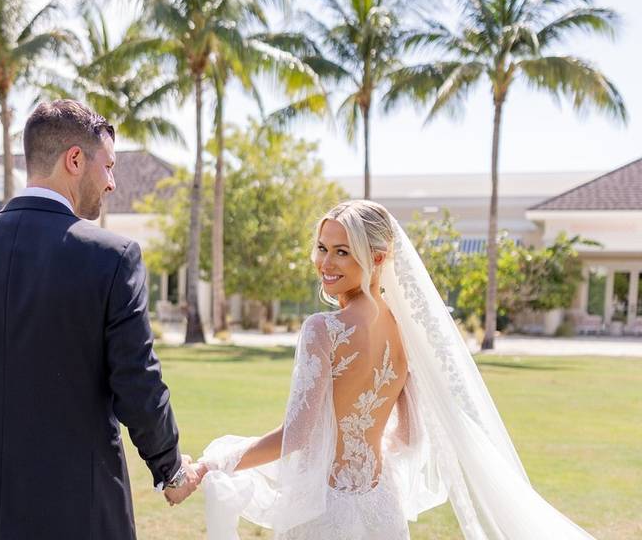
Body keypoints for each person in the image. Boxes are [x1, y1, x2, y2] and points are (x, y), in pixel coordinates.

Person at [196, 199, 595, 539]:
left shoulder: (322, 329)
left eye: (343, 251)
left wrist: (214, 464)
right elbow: (407, 435)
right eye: (322, 247)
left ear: (379, 257)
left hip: (325, 510)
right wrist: (359, 436)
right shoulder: (407, 330)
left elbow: (296, 437)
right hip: (382, 504)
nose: (325, 262)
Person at [0, 99, 204, 540]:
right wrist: (170, 469)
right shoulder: (112, 258)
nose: (111, 183)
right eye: (108, 166)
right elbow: (137, 380)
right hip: (78, 511)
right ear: (74, 159)